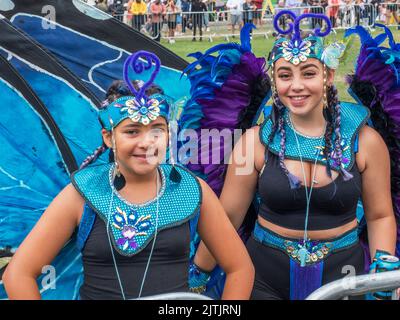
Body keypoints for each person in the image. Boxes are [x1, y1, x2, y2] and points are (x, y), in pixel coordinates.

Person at [2, 51, 255, 300]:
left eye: (157, 130)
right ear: (109, 137)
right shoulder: (82, 193)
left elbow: (240, 268)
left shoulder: (191, 190)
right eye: (132, 132)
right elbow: (19, 273)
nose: (147, 143)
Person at [190, 11, 398, 300]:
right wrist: (197, 275)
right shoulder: (254, 142)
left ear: (328, 76)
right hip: (263, 278)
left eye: (309, 73)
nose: (296, 86)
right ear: (275, 81)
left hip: (344, 278)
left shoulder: (365, 141)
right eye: (285, 75)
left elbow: (379, 215)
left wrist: (382, 272)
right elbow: (227, 217)